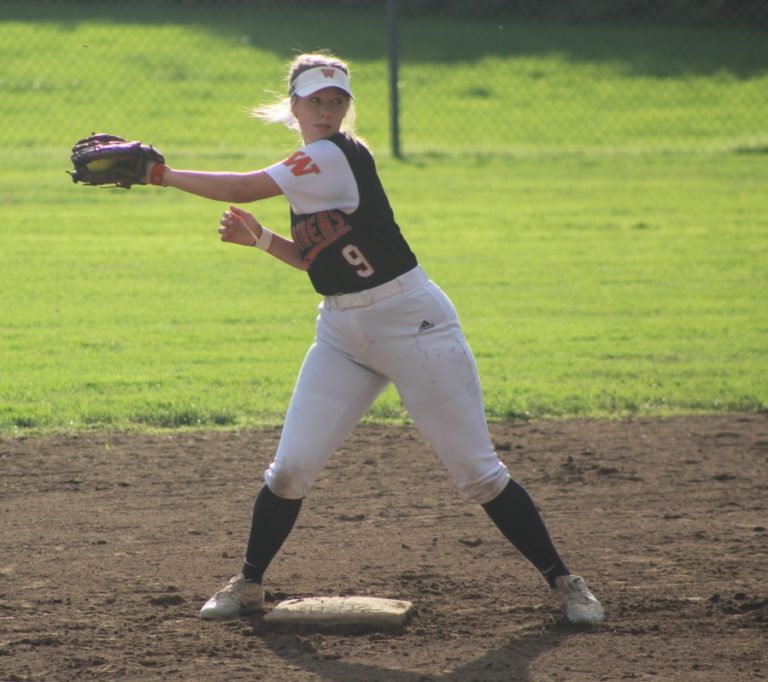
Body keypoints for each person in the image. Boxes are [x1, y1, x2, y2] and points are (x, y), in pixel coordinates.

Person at [144, 51, 604, 625]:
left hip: (414, 325)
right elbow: (322, 263)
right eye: (316, 100)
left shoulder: (334, 156)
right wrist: (262, 241)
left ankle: (566, 583)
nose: (328, 109)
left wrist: (160, 175)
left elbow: (242, 183)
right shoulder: (307, 165)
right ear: (294, 106)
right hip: (342, 331)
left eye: (337, 100)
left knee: (478, 474)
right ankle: (249, 584)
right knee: (289, 471)